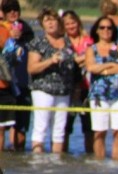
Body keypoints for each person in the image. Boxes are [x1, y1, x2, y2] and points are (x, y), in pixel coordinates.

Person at [27, 7, 78, 154]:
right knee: (40, 127)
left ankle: (56, 163)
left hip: (63, 91)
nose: (50, 23)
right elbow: (32, 68)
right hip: (43, 89)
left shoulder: (67, 42)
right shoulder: (38, 42)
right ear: (42, 24)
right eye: (46, 21)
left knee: (59, 129)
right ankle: (38, 161)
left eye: (53, 20)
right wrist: (50, 61)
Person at [84, 16, 118, 160]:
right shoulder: (91, 49)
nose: (106, 30)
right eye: (102, 27)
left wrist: (103, 70)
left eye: (109, 27)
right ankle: (99, 162)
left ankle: (117, 162)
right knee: (99, 132)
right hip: (98, 94)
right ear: (97, 30)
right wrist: (111, 65)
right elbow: (91, 67)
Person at [61, 10, 92, 154]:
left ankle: (91, 156)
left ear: (78, 23)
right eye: (67, 24)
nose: (71, 26)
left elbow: (93, 57)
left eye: (73, 22)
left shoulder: (88, 40)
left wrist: (77, 59)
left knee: (89, 127)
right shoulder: (62, 41)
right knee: (65, 127)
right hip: (68, 89)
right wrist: (80, 59)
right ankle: (63, 155)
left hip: (86, 89)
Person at [1, 1, 31, 151]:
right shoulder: (2, 30)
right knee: (1, 128)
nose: (13, 12)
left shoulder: (27, 31)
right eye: (8, 10)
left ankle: (18, 157)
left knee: (21, 127)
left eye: (15, 9)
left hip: (22, 84)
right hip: (5, 84)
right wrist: (8, 37)